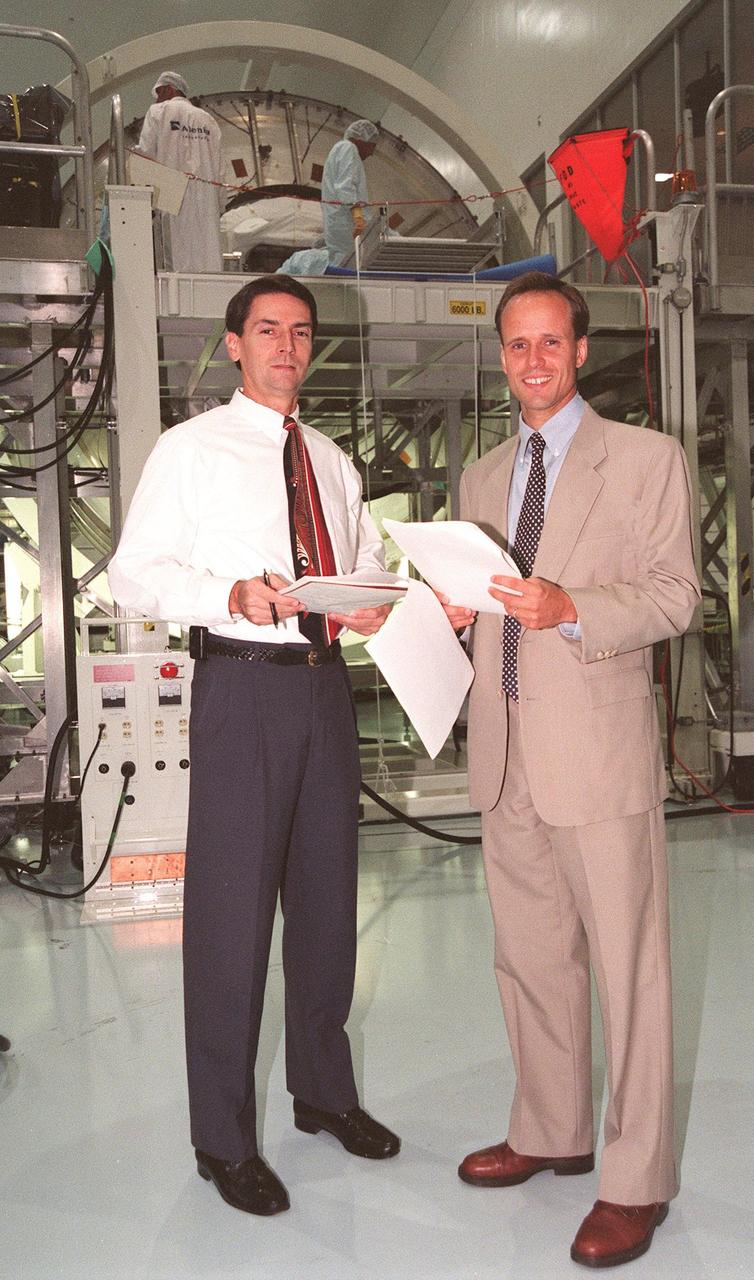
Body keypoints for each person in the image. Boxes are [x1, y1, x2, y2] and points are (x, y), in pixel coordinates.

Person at [108, 274, 399, 1217]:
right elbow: (133, 573)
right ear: (234, 344)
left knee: (326, 904)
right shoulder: (191, 450)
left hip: (325, 690)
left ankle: (323, 1093)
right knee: (232, 919)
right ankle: (222, 1139)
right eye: (268, 329)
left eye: (301, 332)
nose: (286, 346)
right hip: (241, 685)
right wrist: (227, 595)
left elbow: (363, 562)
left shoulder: (334, 462)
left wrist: (373, 602)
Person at [440, 272, 700, 1269]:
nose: (534, 360)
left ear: (581, 350)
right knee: (530, 957)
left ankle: (636, 1181)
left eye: (551, 341)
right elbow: (483, 601)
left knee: (631, 972)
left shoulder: (645, 460)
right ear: (501, 356)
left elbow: (675, 595)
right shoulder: (479, 478)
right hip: (504, 752)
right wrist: (451, 613)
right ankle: (551, 1126)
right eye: (517, 344)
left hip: (597, 754)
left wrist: (573, 607)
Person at [136, 71, 223, 273]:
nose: (157, 99)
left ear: (169, 89)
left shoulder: (159, 111)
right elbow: (220, 168)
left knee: (174, 257)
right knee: (207, 255)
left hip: (170, 194)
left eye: (159, 93)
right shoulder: (208, 120)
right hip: (206, 200)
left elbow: (146, 154)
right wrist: (220, 204)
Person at [321, 119, 379, 265]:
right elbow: (345, 186)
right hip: (345, 222)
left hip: (340, 222)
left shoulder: (341, 149)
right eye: (372, 146)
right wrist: (358, 216)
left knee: (344, 260)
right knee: (347, 262)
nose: (372, 153)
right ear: (361, 139)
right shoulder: (348, 148)